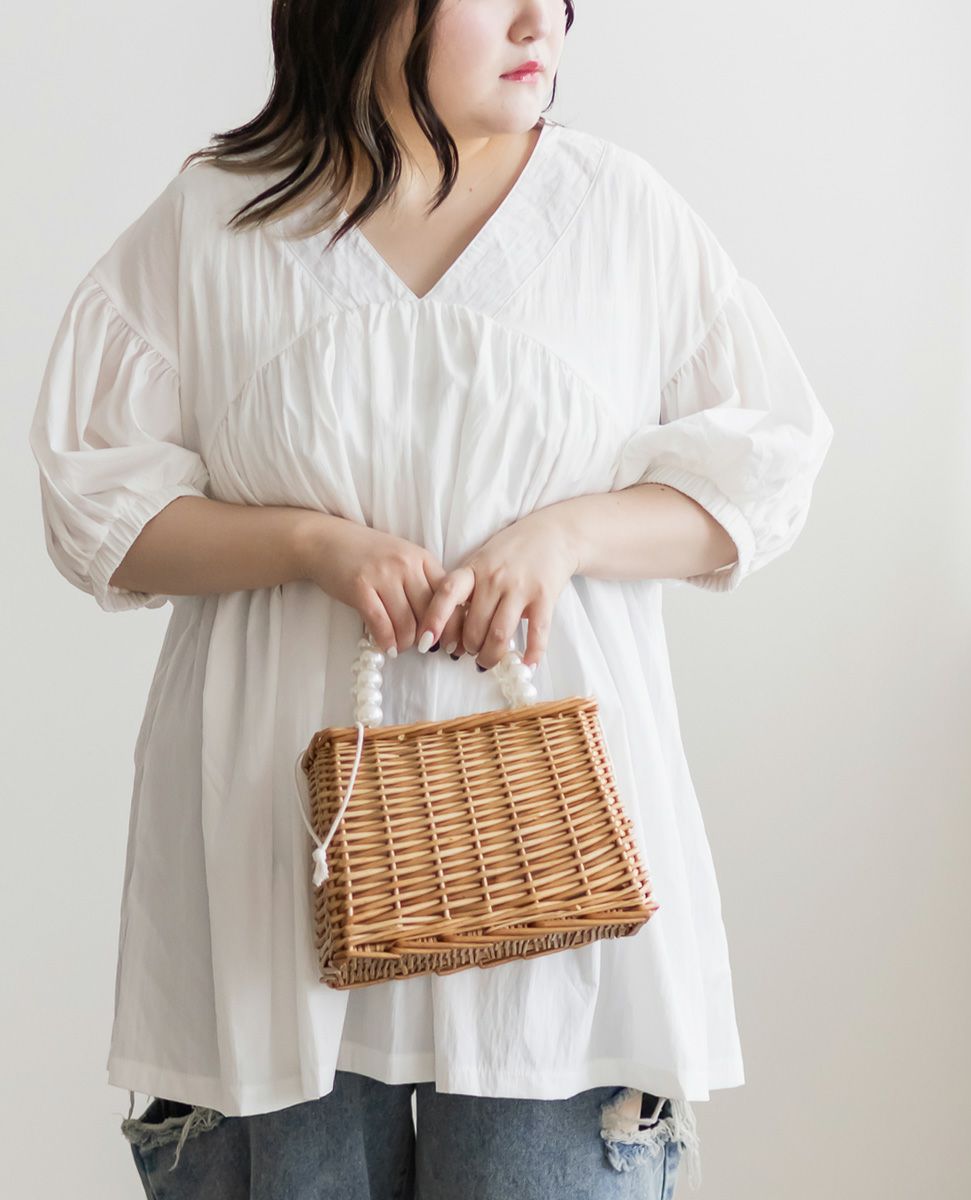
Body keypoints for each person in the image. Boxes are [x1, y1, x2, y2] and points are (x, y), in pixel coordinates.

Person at [27, 1, 834, 1197]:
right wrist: (307, 543)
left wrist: (565, 534)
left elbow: (767, 473)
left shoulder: (617, 212)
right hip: (275, 873)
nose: (540, 21)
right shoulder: (215, 219)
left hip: (555, 879)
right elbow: (98, 512)